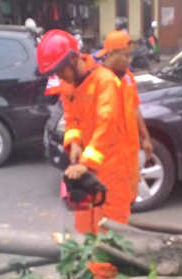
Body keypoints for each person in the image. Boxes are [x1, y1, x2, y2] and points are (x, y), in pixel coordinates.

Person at [37, 30, 132, 235]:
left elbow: (107, 125)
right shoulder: (68, 85)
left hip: (111, 168)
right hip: (87, 167)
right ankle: (91, 266)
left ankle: (104, 268)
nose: (60, 76)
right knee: (85, 228)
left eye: (61, 70)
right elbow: (71, 119)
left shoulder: (105, 81)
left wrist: (85, 163)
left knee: (109, 232)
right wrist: (75, 144)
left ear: (73, 58)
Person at [96, 31, 154, 202]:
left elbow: (134, 107)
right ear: (112, 54)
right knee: (109, 199)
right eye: (126, 55)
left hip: (129, 151)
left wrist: (145, 137)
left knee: (128, 195)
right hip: (109, 154)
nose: (130, 60)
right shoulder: (98, 80)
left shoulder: (128, 77)